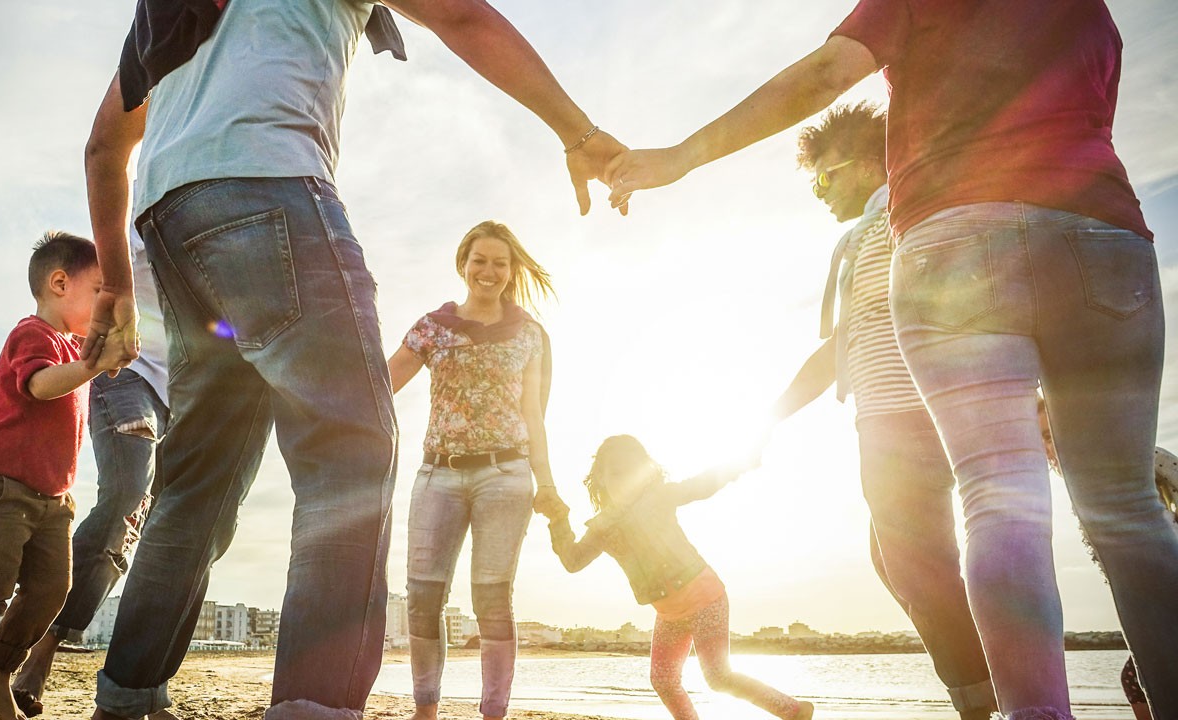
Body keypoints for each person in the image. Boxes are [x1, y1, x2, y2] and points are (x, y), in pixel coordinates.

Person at [603, 2, 1178, 716]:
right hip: (1102, 234)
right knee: (1125, 510)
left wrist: (678, 157)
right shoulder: (1094, 14)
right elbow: (1085, 127)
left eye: (824, 178)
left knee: (996, 503)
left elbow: (824, 73)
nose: (820, 194)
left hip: (955, 233)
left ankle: (1011, 707)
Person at [79, 1, 627, 718]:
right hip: (270, 191)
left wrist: (118, 287)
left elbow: (103, 147)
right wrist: (577, 132)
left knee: (195, 484)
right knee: (349, 459)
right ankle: (316, 706)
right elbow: (461, 15)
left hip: (172, 224)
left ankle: (125, 701)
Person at [762, 102, 994, 719]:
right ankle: (992, 684)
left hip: (907, 417)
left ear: (865, 163)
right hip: (897, 419)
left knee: (919, 569)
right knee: (897, 561)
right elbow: (843, 344)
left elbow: (966, 299)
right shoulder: (871, 232)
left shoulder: (896, 219)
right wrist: (768, 418)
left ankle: (984, 702)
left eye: (823, 177)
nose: (818, 193)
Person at [0, 232, 120, 720]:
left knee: (53, 588)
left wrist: (100, 356)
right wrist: (93, 363)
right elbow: (39, 385)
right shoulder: (31, 334)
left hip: (54, 499)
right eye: (100, 288)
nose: (106, 301)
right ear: (60, 283)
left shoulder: (73, 346)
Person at [387, 221, 565, 720]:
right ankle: (426, 711)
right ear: (463, 263)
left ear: (511, 271)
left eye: (500, 263)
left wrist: (546, 483)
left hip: (506, 477)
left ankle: (493, 714)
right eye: (480, 260)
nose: (489, 271)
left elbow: (534, 416)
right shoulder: (431, 326)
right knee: (423, 597)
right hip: (437, 475)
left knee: (492, 599)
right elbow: (381, 385)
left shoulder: (530, 335)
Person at [10, 227, 170, 719]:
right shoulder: (145, 225)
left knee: (167, 529)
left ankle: (147, 686)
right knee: (126, 497)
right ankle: (43, 642)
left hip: (186, 390)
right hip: (125, 375)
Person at [544, 436, 811, 720]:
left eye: (631, 472)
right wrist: (558, 521)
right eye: (616, 473)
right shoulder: (602, 527)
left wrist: (738, 464)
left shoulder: (658, 497)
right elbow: (573, 561)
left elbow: (701, 486)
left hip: (704, 596)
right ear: (601, 478)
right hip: (669, 613)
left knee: (718, 677)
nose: (624, 481)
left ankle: (794, 711)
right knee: (663, 681)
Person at [1037, 399, 1178, 720]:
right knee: (1135, 679)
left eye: (1050, 433)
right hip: (1145, 605)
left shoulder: (1130, 456)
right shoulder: (1081, 486)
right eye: (1041, 439)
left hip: (1167, 591)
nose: (1047, 447)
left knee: (1141, 678)